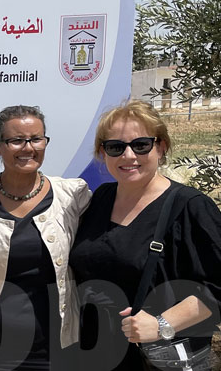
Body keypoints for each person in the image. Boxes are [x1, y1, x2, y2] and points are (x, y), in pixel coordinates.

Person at [69, 100, 221, 370]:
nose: (128, 156)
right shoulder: (101, 198)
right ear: (102, 153)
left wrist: (162, 324)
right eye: (115, 147)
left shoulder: (190, 207)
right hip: (94, 353)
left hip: (156, 357)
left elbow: (217, 289)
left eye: (141, 145)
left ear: (161, 147)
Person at [0, 105, 92, 371]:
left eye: (36, 139)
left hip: (57, 348)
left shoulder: (73, 198)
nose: (28, 148)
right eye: (16, 140)